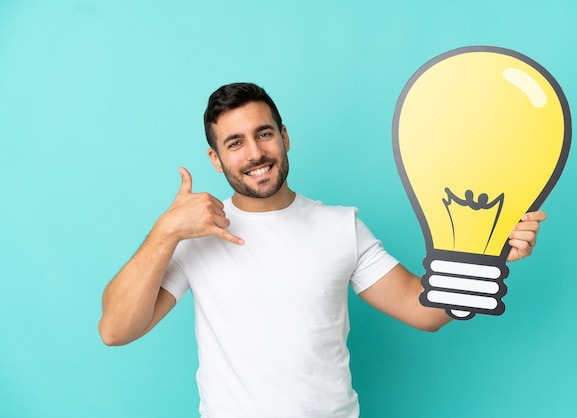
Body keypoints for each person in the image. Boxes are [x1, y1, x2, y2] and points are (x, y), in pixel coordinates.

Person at [98, 82, 546, 417]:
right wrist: (166, 232)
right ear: (215, 159)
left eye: (264, 134)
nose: (255, 152)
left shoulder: (340, 226)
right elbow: (115, 330)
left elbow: (423, 312)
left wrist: (490, 252)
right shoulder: (196, 233)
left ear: (285, 136)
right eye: (235, 143)